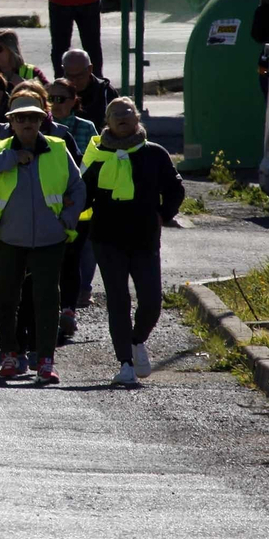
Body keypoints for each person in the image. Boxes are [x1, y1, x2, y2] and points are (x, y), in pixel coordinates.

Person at [0, 94, 86, 385]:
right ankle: (10, 354)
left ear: (42, 121)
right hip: (8, 239)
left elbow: (78, 186)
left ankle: (45, 360)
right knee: (7, 299)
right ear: (11, 123)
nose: (26, 123)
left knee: (47, 299)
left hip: (49, 239)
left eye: (32, 118)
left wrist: (65, 223)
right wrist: (11, 158)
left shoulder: (57, 149)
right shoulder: (0, 149)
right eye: (20, 118)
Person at [80, 98, 185, 386]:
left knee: (151, 301)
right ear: (107, 122)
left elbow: (175, 189)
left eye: (127, 113)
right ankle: (125, 362)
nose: (122, 118)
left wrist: (162, 215)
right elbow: (82, 191)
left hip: (144, 238)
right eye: (116, 114)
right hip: (106, 238)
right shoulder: (99, 154)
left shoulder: (154, 153)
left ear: (137, 119)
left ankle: (137, 340)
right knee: (117, 300)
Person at [59, 47, 118, 130]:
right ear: (63, 70)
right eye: (70, 76)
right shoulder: (57, 93)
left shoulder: (106, 92)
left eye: (79, 76)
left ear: (90, 69)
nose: (75, 81)